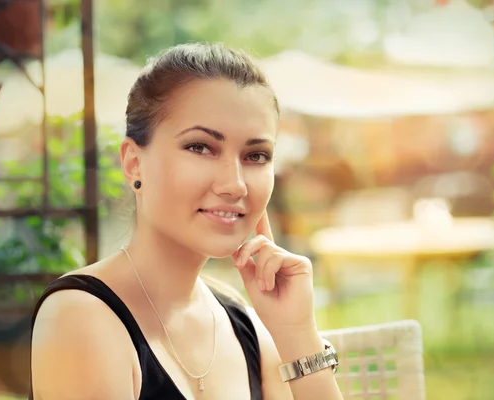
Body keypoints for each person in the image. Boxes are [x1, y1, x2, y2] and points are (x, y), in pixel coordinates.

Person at [29, 42, 344, 400]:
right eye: (200, 147)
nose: (234, 184)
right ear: (134, 163)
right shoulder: (81, 317)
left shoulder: (247, 326)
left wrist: (296, 333)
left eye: (256, 155)